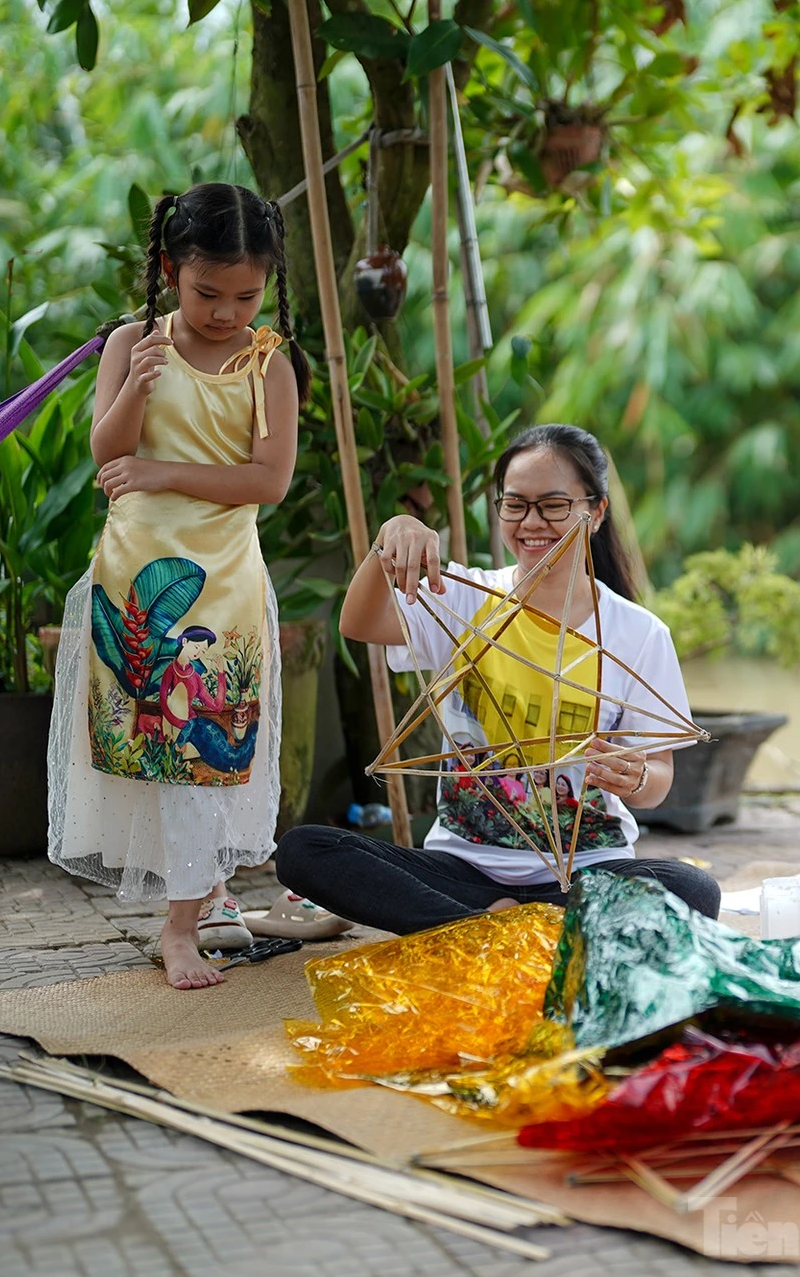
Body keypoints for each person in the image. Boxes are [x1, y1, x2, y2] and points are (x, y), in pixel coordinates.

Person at [273, 423, 721, 930]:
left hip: (585, 874)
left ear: (595, 512)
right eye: (515, 504)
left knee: (693, 889)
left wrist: (638, 777)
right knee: (303, 850)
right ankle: (507, 926)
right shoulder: (463, 597)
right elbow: (358, 624)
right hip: (460, 869)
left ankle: (477, 929)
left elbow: (658, 777)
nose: (532, 522)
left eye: (553, 505)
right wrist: (388, 540)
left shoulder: (638, 632)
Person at [48, 183, 304, 990]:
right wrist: (135, 388)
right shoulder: (133, 343)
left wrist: (160, 470)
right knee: (148, 746)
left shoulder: (267, 366)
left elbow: (269, 480)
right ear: (168, 268)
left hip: (221, 580)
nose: (226, 311)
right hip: (135, 576)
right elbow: (106, 449)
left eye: (245, 295)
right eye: (206, 293)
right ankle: (202, 895)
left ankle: (180, 927)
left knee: (208, 750)